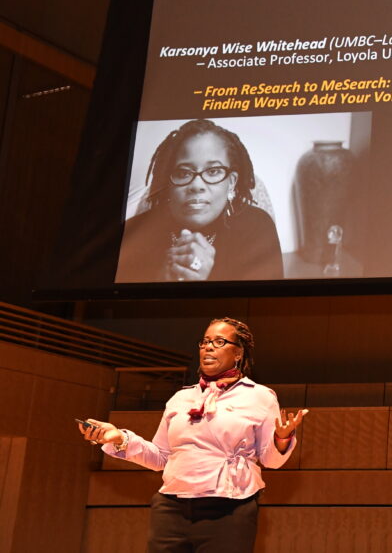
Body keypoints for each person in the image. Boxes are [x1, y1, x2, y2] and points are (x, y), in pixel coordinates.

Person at [79, 317, 308, 552]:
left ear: (238, 353)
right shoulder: (181, 398)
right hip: (171, 507)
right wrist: (120, 438)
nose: (208, 347)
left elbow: (270, 460)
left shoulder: (259, 396)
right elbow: (160, 458)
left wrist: (281, 439)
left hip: (230, 507)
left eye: (219, 342)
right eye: (205, 341)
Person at [116, 119, 283, 282]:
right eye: (183, 173)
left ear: (231, 182)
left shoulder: (258, 227)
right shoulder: (133, 234)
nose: (196, 185)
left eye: (213, 171)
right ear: (169, 183)